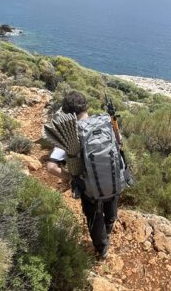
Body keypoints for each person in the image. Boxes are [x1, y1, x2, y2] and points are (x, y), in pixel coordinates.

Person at [46, 91, 118, 259]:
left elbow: (50, 167)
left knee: (94, 215)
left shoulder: (69, 135)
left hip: (89, 188)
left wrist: (71, 177)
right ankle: (108, 227)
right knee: (109, 210)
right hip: (113, 180)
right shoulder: (106, 122)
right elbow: (119, 144)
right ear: (87, 106)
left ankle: (102, 249)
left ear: (67, 113)